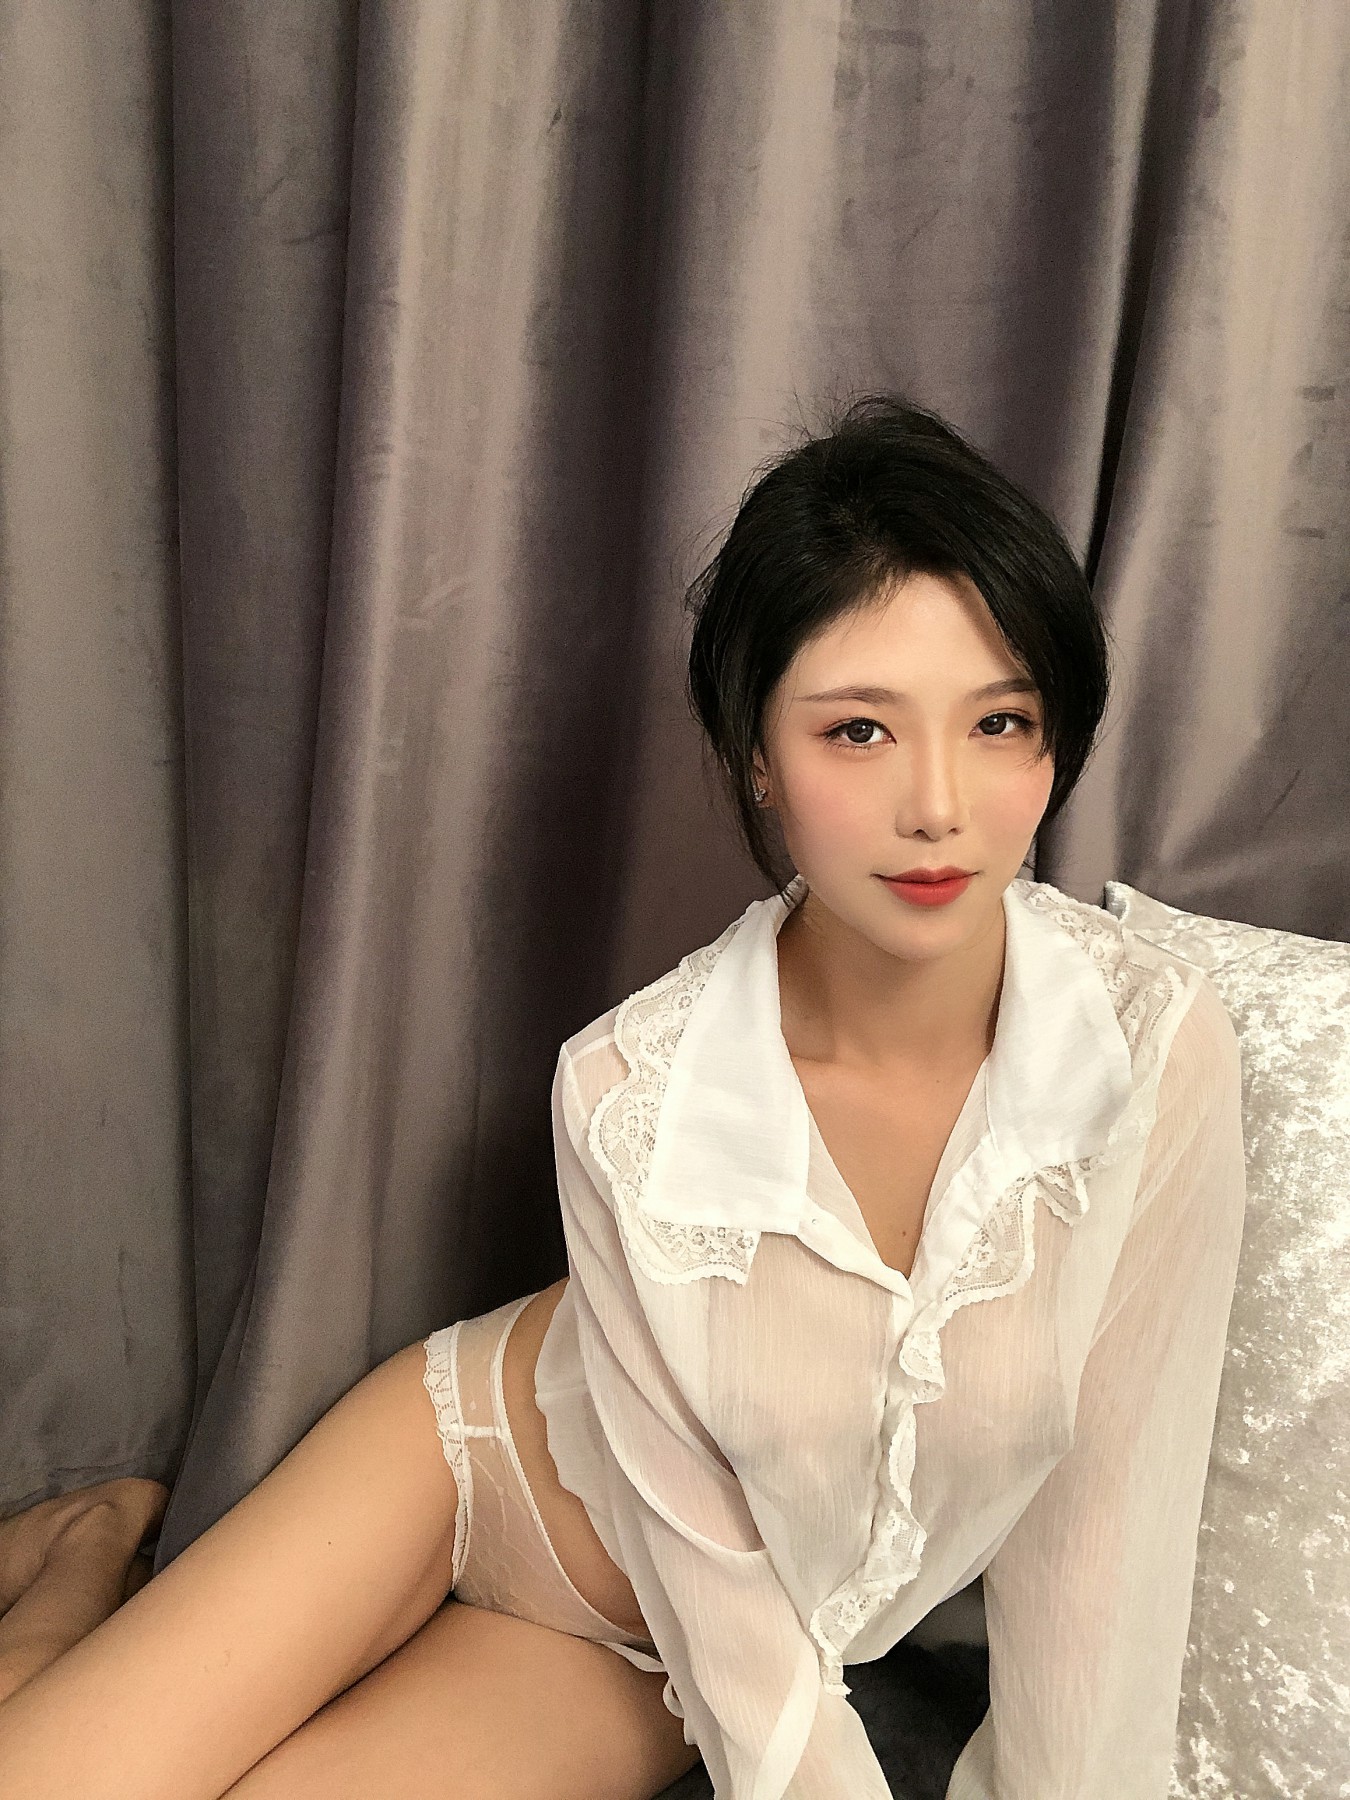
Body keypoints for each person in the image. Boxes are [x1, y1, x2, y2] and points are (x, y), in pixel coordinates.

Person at [0, 396, 1247, 1799]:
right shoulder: (626, 1086)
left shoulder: (1151, 1049)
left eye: (999, 721)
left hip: (660, 1647)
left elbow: (1103, 1538)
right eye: (858, 731)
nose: (938, 806)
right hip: (468, 1464)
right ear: (756, 756)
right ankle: (82, 1559)